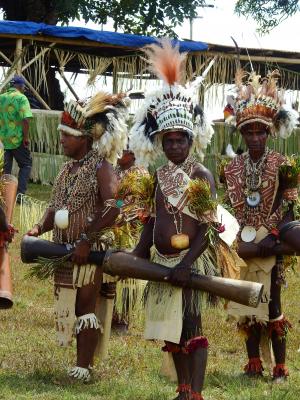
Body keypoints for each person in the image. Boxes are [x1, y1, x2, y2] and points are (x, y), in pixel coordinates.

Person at [130, 40, 239, 400]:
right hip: (162, 261)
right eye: (169, 141)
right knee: (171, 329)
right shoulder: (157, 177)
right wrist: (137, 254)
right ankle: (181, 388)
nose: (174, 146)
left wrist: (188, 264)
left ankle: (196, 392)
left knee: (192, 324)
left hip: (191, 260)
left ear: (191, 141)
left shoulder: (201, 174)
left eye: (180, 140)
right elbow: (151, 220)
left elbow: (208, 227)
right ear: (160, 143)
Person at [26, 92, 129, 382]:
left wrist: (87, 238)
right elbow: (54, 206)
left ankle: (84, 367)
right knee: (72, 305)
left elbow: (117, 204)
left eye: (67, 135)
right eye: (62, 134)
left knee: (86, 306)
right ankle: (79, 361)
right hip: (64, 249)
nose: (62, 139)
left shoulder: (102, 167)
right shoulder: (66, 168)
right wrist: (39, 227)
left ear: (84, 138)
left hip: (90, 249)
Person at [223, 69, 299, 382]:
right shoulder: (232, 168)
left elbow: (290, 203)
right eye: (249, 133)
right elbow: (229, 208)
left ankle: (280, 369)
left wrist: (274, 235)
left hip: (272, 242)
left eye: (260, 133)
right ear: (241, 134)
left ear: (268, 133)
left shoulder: (283, 163)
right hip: (243, 243)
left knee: (272, 305)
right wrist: (237, 239)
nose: (255, 138)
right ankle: (254, 365)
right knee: (245, 302)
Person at [0, 75, 33, 198]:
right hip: (17, 139)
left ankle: (3, 196)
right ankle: (20, 195)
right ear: (20, 86)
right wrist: (25, 138)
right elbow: (25, 119)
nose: (24, 89)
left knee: (5, 169)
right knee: (26, 164)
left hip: (3, 140)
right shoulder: (21, 98)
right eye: (24, 86)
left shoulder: (1, 97)